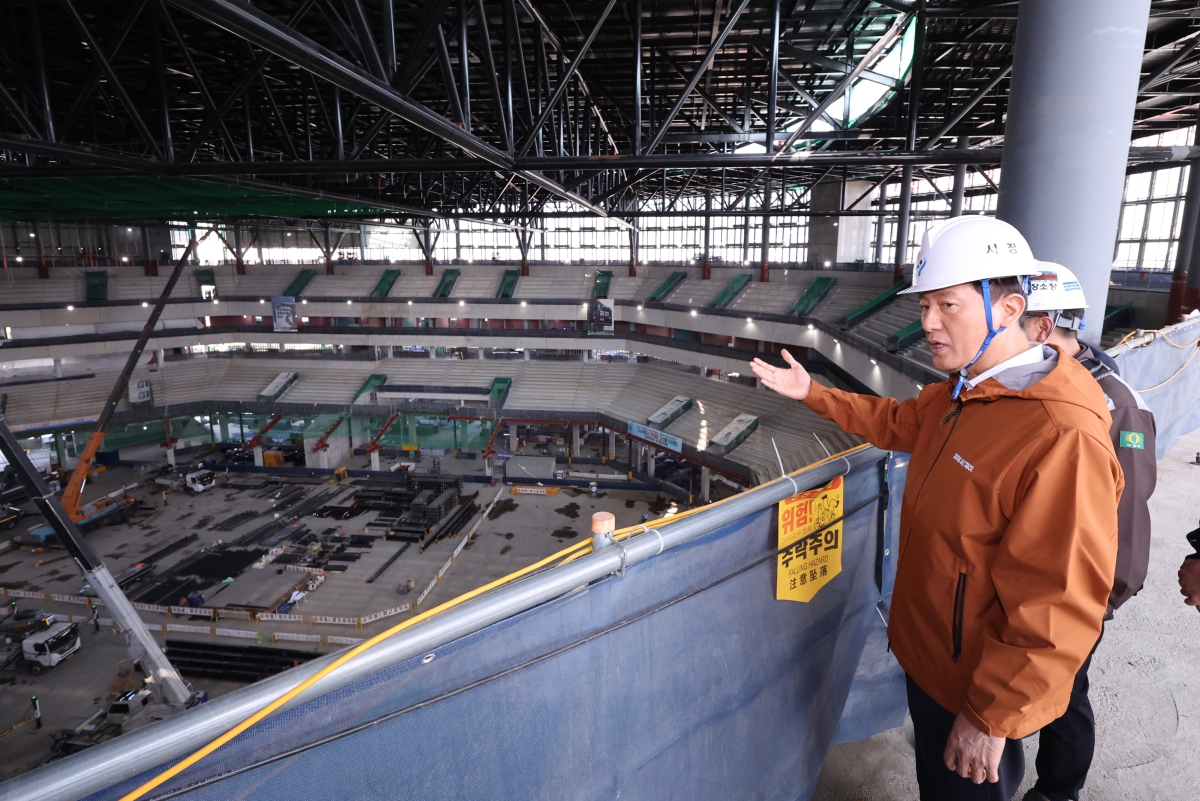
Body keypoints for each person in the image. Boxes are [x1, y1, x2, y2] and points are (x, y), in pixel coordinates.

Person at [750, 216, 1122, 801]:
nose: (927, 324)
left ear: (1008, 308)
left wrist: (990, 716)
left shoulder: (1060, 433)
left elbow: (1056, 599)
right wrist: (814, 394)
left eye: (947, 305)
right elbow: (897, 421)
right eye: (925, 306)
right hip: (933, 662)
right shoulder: (967, 390)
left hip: (974, 689)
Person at [1019, 265, 1156, 801]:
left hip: (1081, 588)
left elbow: (1126, 515)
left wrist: (1103, 597)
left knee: (1066, 694)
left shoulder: (1113, 404)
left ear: (1042, 326)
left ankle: (1058, 790)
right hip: (1040, 572)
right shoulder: (1046, 382)